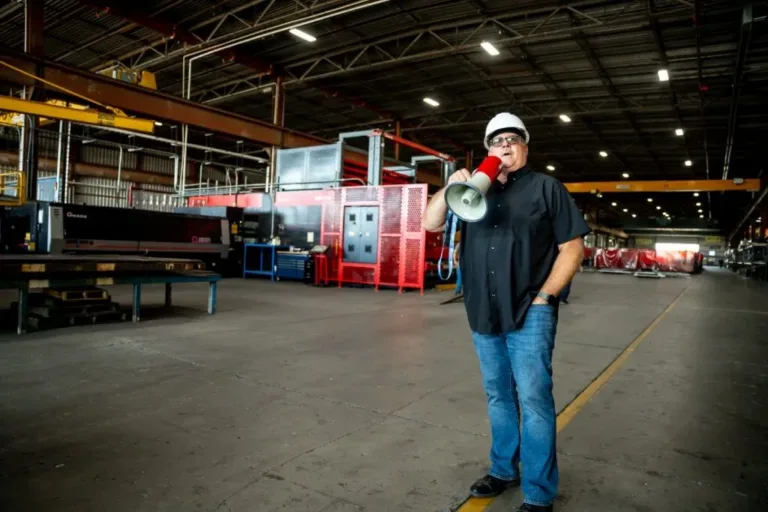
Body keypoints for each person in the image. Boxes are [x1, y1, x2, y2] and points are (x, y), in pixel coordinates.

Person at [423, 113, 589, 512]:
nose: (505, 145)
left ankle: (538, 493)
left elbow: (573, 247)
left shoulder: (546, 188)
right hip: (483, 311)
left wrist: (546, 296)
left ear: (525, 147)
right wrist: (450, 187)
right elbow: (430, 223)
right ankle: (502, 470)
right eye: (497, 140)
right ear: (488, 149)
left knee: (533, 400)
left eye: (513, 139)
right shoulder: (472, 193)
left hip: (529, 311)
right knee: (498, 395)